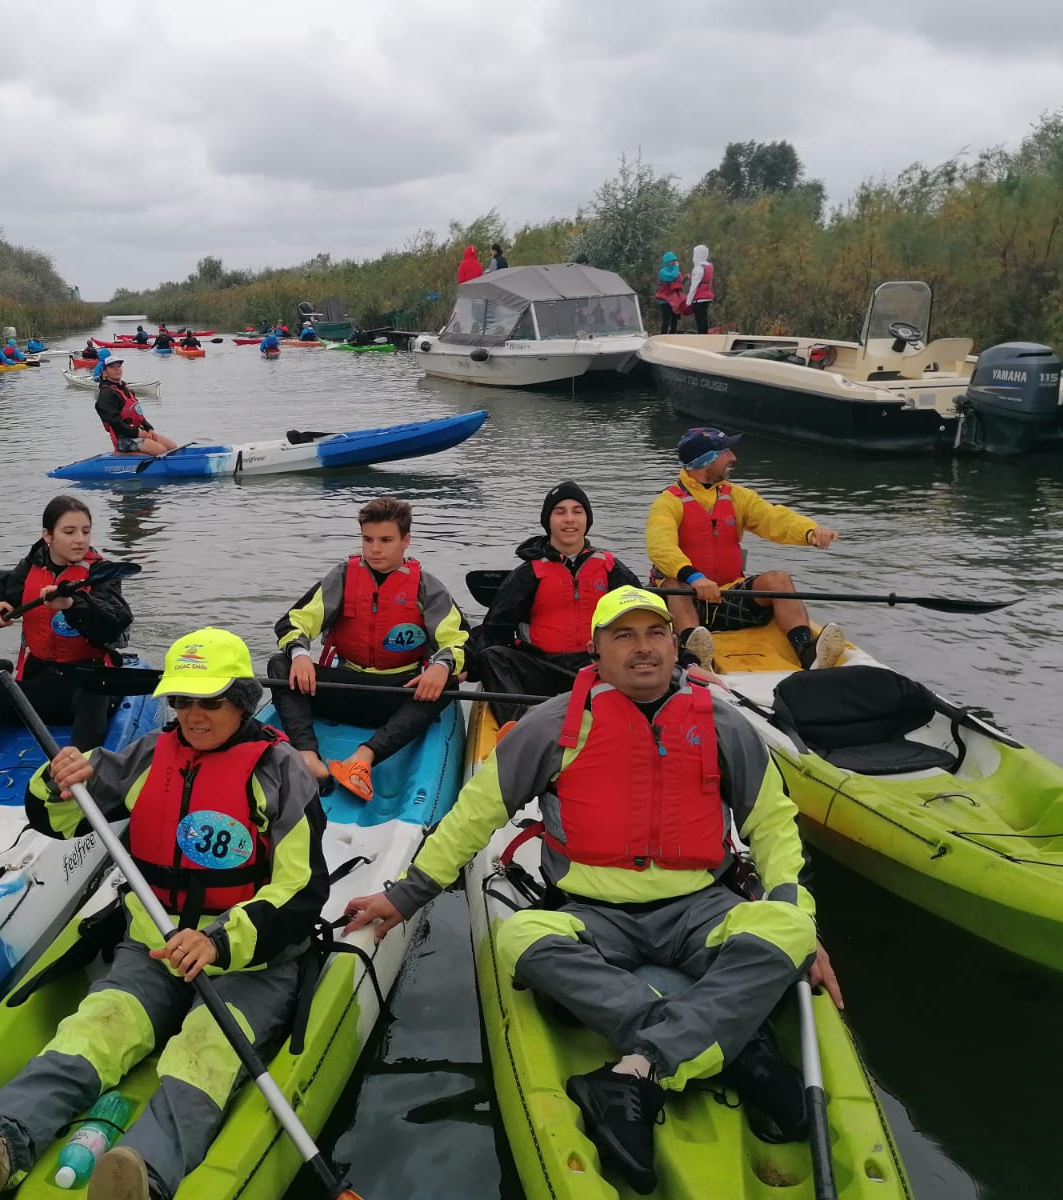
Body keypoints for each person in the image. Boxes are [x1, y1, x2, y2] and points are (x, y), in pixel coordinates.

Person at [343, 586, 835, 1194]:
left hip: (702, 908)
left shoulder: (722, 723)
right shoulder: (553, 724)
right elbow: (475, 813)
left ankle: (637, 1069)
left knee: (790, 927)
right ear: (596, 650)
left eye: (654, 633)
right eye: (623, 636)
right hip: (593, 915)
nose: (643, 649)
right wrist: (407, 894)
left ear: (674, 643)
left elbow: (771, 827)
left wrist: (798, 920)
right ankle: (733, 1050)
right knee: (520, 937)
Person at [0, 628, 329, 1200]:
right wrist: (53, 783)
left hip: (249, 966)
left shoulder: (282, 773)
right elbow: (60, 819)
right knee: (94, 1031)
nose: (192, 714)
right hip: (153, 947)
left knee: (203, 1056)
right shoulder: (145, 757)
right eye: (182, 700)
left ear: (242, 700)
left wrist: (218, 940)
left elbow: (303, 891)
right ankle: (2, 1148)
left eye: (209, 700)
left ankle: (144, 1177)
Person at [0, 496, 132, 799]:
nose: (80, 539)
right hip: (40, 683)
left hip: (89, 684)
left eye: (86, 531)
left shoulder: (101, 574)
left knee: (93, 692)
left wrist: (72, 602)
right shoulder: (28, 570)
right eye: (69, 532)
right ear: (48, 536)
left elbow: (116, 620)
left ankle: (73, 779)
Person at [268, 497, 467, 800]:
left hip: (396, 694)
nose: (375, 548)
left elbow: (460, 640)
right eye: (368, 539)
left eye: (386, 540)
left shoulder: (428, 588)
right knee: (280, 664)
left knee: (449, 684)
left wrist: (441, 666)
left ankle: (364, 757)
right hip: (347, 683)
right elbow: (293, 623)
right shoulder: (342, 578)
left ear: (405, 541)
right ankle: (307, 754)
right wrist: (300, 654)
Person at [646, 427, 843, 673]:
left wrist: (810, 531)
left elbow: (774, 519)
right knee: (674, 584)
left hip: (727, 597)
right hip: (687, 599)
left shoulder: (737, 497)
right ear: (705, 461)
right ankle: (694, 655)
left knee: (779, 580)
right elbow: (660, 547)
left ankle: (806, 651)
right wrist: (695, 578)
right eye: (725, 452)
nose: (733, 457)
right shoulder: (668, 502)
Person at [470, 481, 642, 722]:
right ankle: (519, 726)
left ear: (587, 520)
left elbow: (646, 617)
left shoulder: (610, 567)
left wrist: (684, 659)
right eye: (560, 512)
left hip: (598, 668)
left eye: (577, 511)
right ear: (548, 521)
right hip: (543, 668)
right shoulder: (528, 573)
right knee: (492, 656)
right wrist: (462, 666)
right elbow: (495, 630)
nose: (569, 519)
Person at [95, 358, 177, 455]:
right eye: (112, 367)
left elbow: (138, 414)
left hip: (138, 433)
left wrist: (148, 428)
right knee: (161, 451)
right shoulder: (106, 395)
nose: (117, 369)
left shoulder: (127, 390)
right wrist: (137, 433)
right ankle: (121, 456)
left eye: (119, 366)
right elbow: (115, 423)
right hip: (123, 440)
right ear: (105, 372)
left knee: (172, 447)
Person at [684, 244, 714, 334]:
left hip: (699, 298)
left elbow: (694, 287)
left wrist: (688, 302)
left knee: (700, 319)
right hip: (707, 297)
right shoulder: (709, 267)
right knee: (704, 318)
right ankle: (705, 335)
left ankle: (702, 337)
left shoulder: (698, 268)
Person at [655, 251, 684, 335]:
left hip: (675, 300)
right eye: (671, 261)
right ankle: (663, 336)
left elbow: (679, 283)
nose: (674, 262)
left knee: (674, 320)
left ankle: (672, 336)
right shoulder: (662, 272)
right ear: (667, 262)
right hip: (665, 300)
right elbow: (671, 277)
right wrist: (676, 268)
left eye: (674, 260)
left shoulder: (677, 272)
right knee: (666, 320)